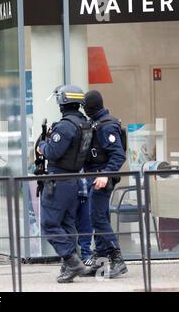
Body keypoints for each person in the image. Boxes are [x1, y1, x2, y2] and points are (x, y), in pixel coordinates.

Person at [36, 85, 93, 283]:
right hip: (74, 180)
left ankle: (72, 262)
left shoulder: (65, 126)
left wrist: (42, 145)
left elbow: (52, 152)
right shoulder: (84, 123)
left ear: (62, 102)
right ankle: (68, 266)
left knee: (49, 224)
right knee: (68, 225)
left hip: (59, 180)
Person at [83, 90, 128, 278]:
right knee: (99, 217)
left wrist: (105, 175)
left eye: (85, 106)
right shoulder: (96, 123)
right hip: (96, 177)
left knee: (97, 217)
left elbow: (118, 155)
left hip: (102, 178)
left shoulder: (107, 125)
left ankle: (118, 259)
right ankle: (101, 260)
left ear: (91, 106)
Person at [76, 177, 93, 263]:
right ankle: (69, 256)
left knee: (86, 222)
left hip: (86, 188)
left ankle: (86, 252)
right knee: (69, 224)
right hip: (69, 188)